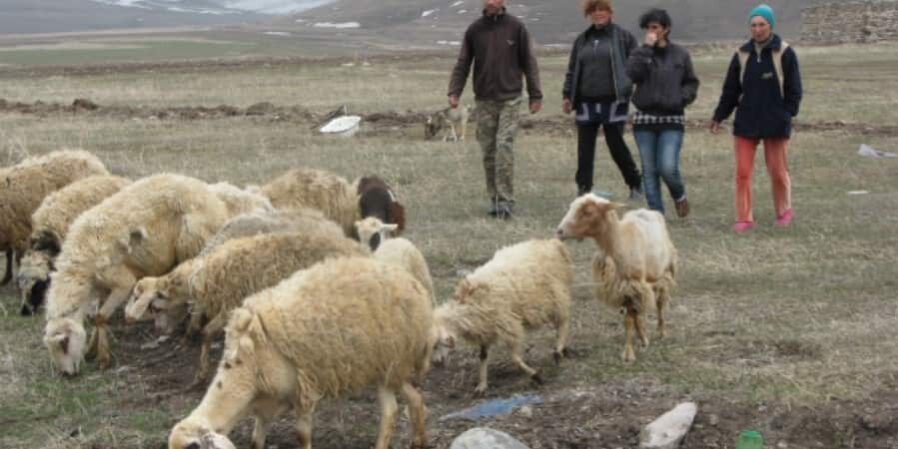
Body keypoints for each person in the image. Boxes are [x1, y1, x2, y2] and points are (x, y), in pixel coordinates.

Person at [710, 4, 802, 232]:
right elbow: (731, 90)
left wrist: (787, 113)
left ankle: (784, 211)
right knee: (742, 173)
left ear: (771, 25)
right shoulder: (741, 54)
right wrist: (719, 115)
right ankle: (744, 217)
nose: (757, 29)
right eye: (753, 25)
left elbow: (794, 89)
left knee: (777, 172)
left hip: (775, 122)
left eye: (762, 25)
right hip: (746, 121)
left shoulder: (785, 52)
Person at [448, 0, 542, 219]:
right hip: (484, 100)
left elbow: (529, 62)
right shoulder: (475, 30)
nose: (491, 2)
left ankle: (506, 200)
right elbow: (463, 63)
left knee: (504, 146)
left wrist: (535, 94)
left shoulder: (516, 27)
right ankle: (495, 199)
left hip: (511, 98)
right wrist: (454, 91)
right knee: (488, 151)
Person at [562, 0, 642, 200]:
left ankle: (635, 184)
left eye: (602, 9)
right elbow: (572, 70)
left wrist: (629, 86)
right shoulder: (582, 40)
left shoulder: (623, 37)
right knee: (584, 149)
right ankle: (584, 189)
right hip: (585, 102)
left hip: (614, 101)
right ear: (589, 14)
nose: (598, 13)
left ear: (609, 12)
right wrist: (567, 95)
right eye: (594, 10)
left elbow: (637, 65)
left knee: (616, 145)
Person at [625, 8, 699, 217]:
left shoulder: (680, 54)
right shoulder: (640, 53)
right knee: (649, 171)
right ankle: (656, 215)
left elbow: (691, 82)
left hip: (672, 119)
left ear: (666, 29)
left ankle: (679, 196)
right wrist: (646, 49)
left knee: (667, 167)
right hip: (644, 120)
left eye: (655, 27)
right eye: (648, 28)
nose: (651, 31)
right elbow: (632, 74)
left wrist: (680, 98)